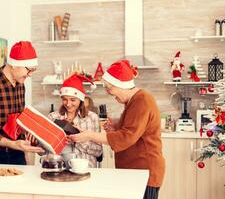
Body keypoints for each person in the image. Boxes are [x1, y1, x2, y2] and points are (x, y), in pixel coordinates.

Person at [69, 60, 165, 199]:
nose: (112, 96)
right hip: (135, 171)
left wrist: (89, 135)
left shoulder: (141, 100)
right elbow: (133, 128)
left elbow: (127, 137)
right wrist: (115, 126)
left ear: (120, 85)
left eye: (111, 91)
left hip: (144, 172)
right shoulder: (134, 100)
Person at [0, 41, 44, 165]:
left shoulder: (20, 83)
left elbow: (18, 120)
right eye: (29, 70)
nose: (30, 75)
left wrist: (29, 132)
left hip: (18, 153)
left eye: (33, 70)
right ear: (14, 65)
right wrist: (12, 144)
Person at [48, 74, 102, 168]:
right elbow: (44, 151)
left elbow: (98, 152)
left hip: (85, 169)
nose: (68, 104)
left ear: (81, 100)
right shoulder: (53, 117)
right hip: (60, 169)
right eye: (65, 99)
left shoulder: (92, 118)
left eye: (73, 100)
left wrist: (80, 141)